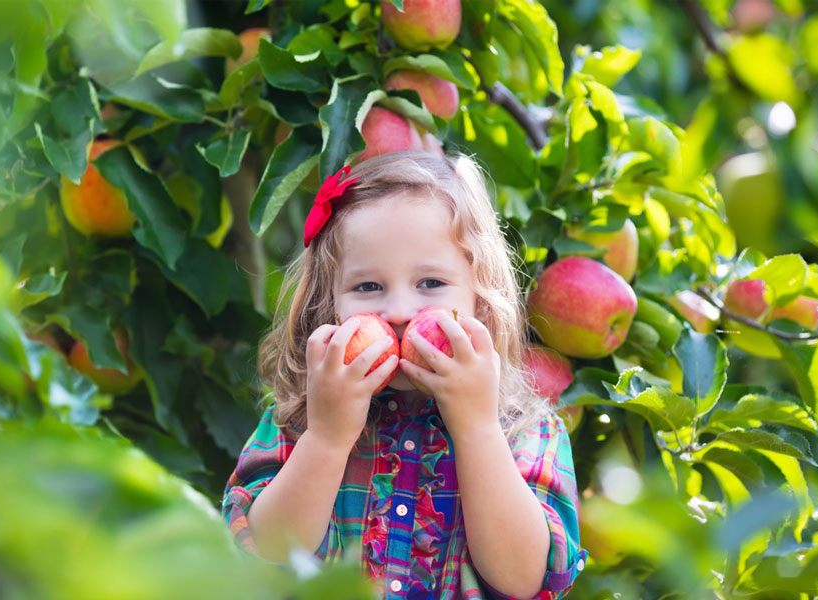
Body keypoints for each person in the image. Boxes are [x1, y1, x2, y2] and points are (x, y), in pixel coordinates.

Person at [223, 151, 586, 599]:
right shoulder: (302, 417)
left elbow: (523, 578)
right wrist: (327, 438)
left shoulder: (524, 428)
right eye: (368, 287)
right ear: (329, 301)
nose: (397, 312)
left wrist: (477, 429)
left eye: (431, 283)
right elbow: (267, 552)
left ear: (480, 297)